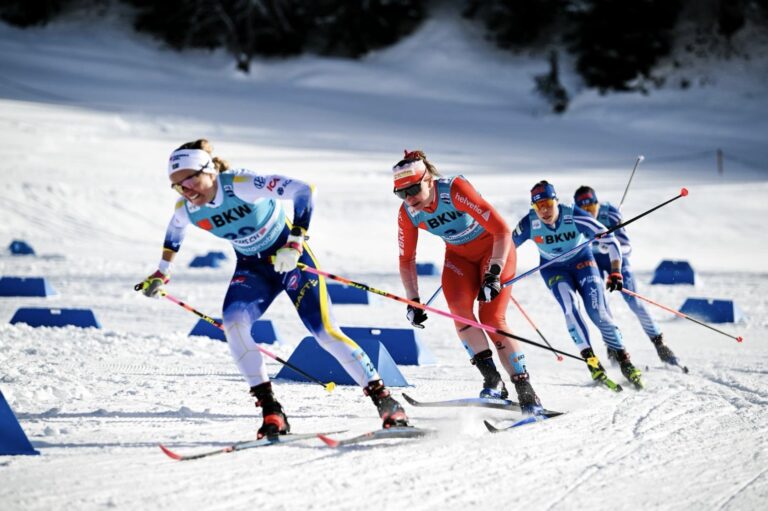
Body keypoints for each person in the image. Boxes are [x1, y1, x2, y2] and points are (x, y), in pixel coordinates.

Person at [137, 139, 409, 437]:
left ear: (209, 170)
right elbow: (174, 230)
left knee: (324, 332)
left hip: (291, 259)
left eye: (188, 180)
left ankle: (386, 402)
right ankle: (271, 411)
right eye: (177, 185)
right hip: (252, 269)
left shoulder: (240, 183)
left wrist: (295, 240)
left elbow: (304, 190)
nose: (185, 190)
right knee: (234, 325)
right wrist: (162, 272)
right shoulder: (187, 208)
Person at [393, 150, 544, 414]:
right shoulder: (408, 213)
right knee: (460, 313)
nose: (409, 199)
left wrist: (493, 274)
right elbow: (407, 259)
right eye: (401, 193)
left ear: (428, 180)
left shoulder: (455, 190)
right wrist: (413, 301)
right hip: (459, 258)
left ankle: (525, 389)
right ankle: (493, 381)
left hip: (494, 251)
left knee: (491, 319)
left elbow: (501, 230)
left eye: (413, 189)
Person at [512, 180, 644, 389]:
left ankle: (624, 360)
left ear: (556, 201)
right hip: (553, 269)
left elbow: (611, 241)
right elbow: (506, 248)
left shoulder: (574, 215)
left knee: (597, 312)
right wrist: (495, 272)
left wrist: (616, 271)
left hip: (583, 263)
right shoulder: (529, 223)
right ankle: (592, 362)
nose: (544, 210)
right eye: (539, 206)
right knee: (570, 308)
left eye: (548, 203)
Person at [573, 185, 680, 366]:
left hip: (617, 261)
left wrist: (609, 246)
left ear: (598, 203)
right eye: (584, 209)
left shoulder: (611, 213)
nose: (590, 212)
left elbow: (627, 248)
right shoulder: (575, 219)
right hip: (593, 262)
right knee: (600, 305)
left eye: (592, 207)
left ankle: (659, 342)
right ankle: (613, 345)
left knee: (634, 301)